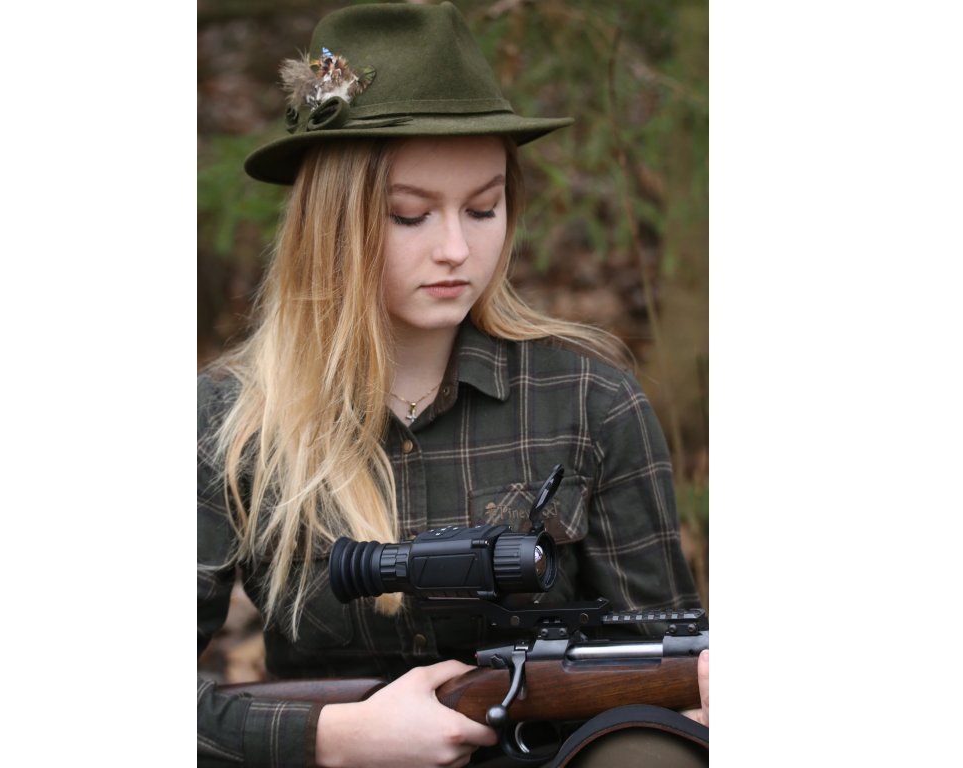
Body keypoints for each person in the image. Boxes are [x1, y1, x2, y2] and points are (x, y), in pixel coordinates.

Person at [198, 3, 707, 767]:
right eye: (410, 216)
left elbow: (663, 655)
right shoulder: (230, 420)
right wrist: (335, 738)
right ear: (332, 224)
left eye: (482, 208)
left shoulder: (589, 400)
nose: (456, 249)